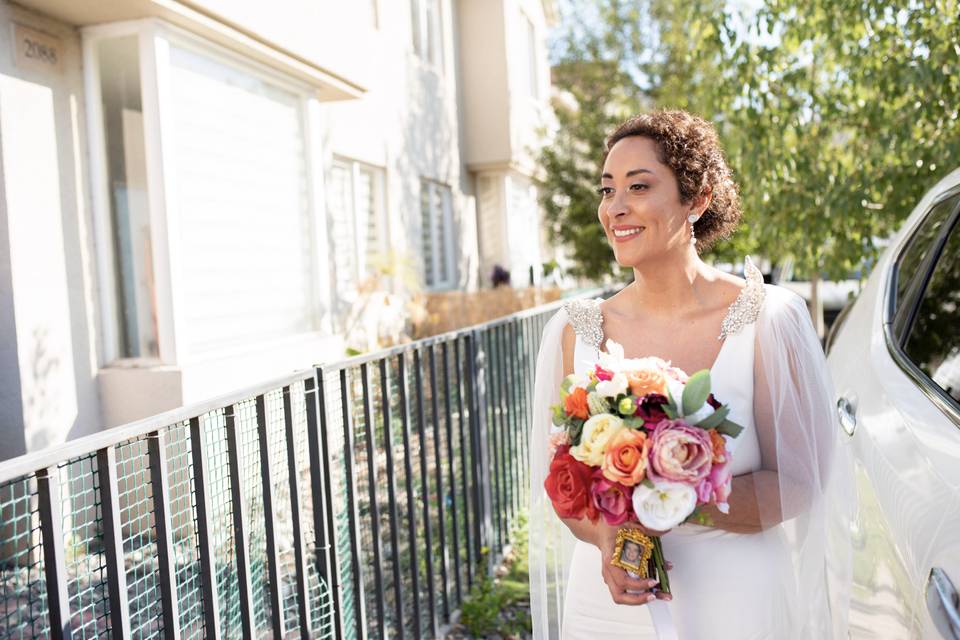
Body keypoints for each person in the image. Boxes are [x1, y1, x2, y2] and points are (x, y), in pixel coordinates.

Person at [528, 110, 853, 639]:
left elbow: (798, 483)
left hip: (736, 599)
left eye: (638, 186)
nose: (616, 208)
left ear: (697, 198)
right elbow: (565, 484)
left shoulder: (768, 320)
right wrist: (607, 539)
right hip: (611, 605)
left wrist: (676, 494)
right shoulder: (575, 331)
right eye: (608, 190)